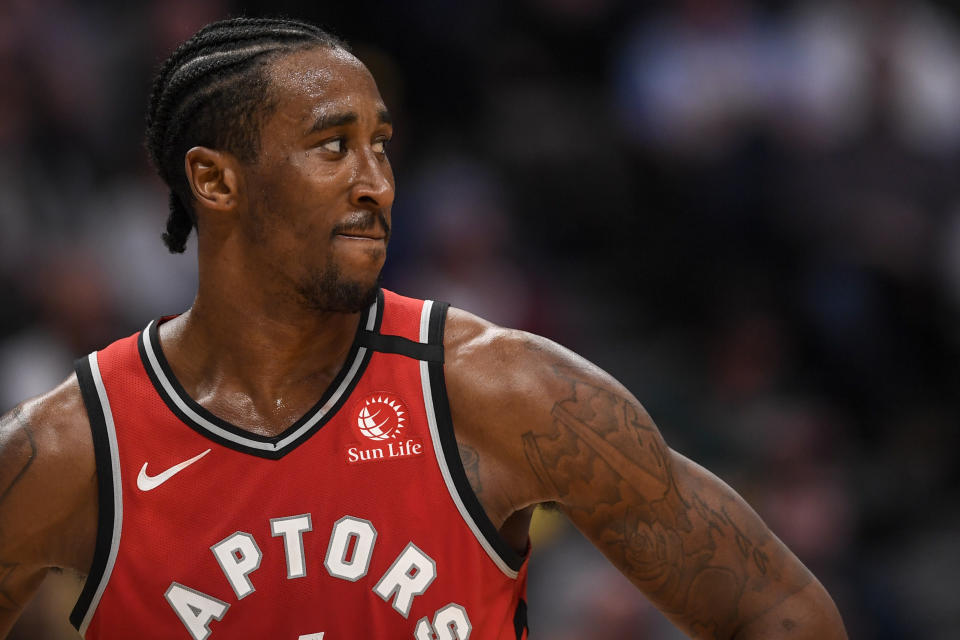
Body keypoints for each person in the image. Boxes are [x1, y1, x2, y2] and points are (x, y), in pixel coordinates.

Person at [0, 17, 847, 640]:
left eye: (382, 146)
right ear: (216, 182)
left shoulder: (503, 391)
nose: (376, 183)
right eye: (333, 147)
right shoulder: (76, 447)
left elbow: (780, 611)